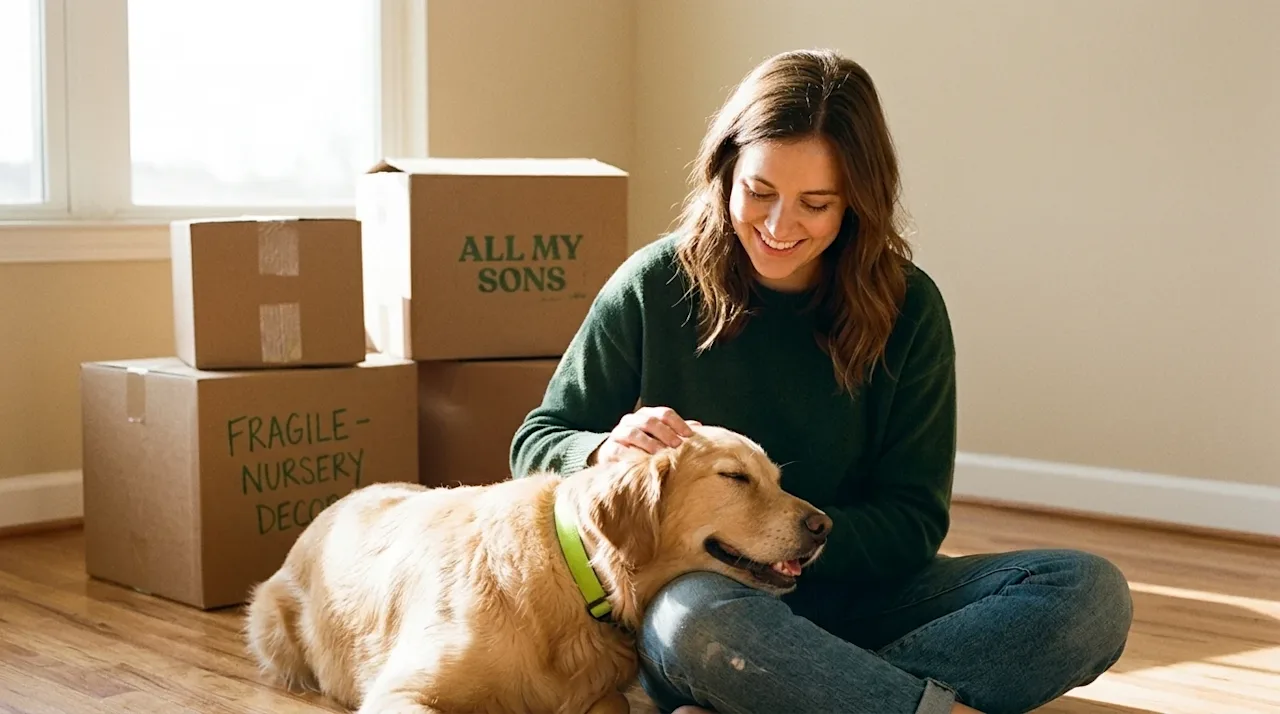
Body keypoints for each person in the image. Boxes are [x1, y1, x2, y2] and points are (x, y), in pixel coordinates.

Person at [509, 48, 1133, 714]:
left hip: (869, 601)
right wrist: (603, 449)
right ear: (726, 174)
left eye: (815, 203)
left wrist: (787, 541)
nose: (780, 226)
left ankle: (797, 694)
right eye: (759, 192)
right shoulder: (654, 284)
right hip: (716, 606)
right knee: (689, 619)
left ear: (855, 205)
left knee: (1088, 594)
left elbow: (912, 522)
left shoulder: (910, 307)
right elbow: (536, 442)